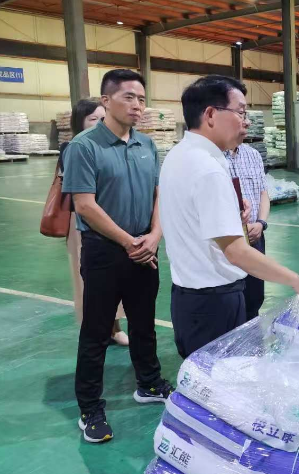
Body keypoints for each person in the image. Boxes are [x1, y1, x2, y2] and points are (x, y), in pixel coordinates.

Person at [159, 75, 299, 360]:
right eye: (240, 112)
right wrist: (297, 281)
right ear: (210, 114)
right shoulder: (208, 169)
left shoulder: (178, 155)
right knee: (224, 379)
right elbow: (237, 252)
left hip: (189, 297)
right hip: (215, 304)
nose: (246, 122)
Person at [63, 69, 173, 444]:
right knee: (96, 332)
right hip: (104, 252)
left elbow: (158, 195)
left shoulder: (147, 145)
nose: (137, 105)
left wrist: (154, 236)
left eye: (141, 98)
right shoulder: (84, 146)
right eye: (129, 97)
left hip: (144, 247)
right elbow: (84, 205)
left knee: (143, 323)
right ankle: (90, 408)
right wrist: (130, 242)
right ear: (106, 101)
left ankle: (149, 383)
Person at [62, 98, 128, 345]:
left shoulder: (112, 146)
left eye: (103, 118)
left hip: (112, 218)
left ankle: (114, 326)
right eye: (93, 119)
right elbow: (82, 199)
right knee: (88, 280)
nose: (100, 123)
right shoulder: (75, 148)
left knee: (117, 275)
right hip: (84, 223)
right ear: (80, 122)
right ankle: (99, 330)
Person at [224, 142, 270, 320]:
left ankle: (252, 334)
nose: (245, 127)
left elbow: (263, 193)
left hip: (254, 237)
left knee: (255, 296)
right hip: (229, 240)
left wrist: (261, 223)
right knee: (232, 299)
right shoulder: (213, 157)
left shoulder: (253, 155)